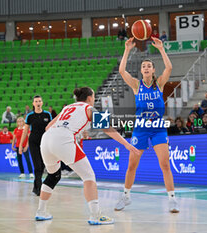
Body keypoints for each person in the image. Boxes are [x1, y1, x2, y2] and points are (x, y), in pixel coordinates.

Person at [35, 87, 140, 225]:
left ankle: (41, 212)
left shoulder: (67, 107)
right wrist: (126, 144)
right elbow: (106, 127)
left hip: (46, 139)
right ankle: (95, 215)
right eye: (94, 97)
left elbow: (48, 127)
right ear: (90, 98)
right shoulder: (89, 108)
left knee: (53, 176)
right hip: (63, 138)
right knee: (89, 176)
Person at [115, 37, 179, 213]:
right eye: (144, 66)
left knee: (165, 164)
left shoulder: (159, 84)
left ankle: (172, 199)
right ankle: (126, 196)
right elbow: (122, 71)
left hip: (158, 128)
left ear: (153, 70)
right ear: (141, 70)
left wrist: (161, 49)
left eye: (149, 66)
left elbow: (170, 68)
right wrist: (127, 50)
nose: (146, 68)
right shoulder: (136, 85)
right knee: (131, 165)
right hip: (141, 128)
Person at [19, 96, 52, 196]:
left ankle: (35, 186)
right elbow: (25, 132)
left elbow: (50, 129)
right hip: (33, 142)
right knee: (37, 165)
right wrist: (21, 145)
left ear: (42, 103)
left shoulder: (47, 114)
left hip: (45, 142)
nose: (38, 103)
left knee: (42, 165)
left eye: (39, 101)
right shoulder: (29, 116)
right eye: (36, 101)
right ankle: (39, 188)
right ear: (33, 104)